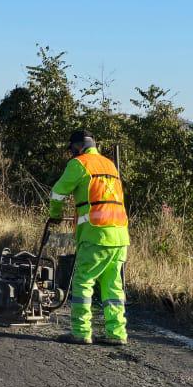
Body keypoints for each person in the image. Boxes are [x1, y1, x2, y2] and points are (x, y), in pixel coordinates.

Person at [49, 130, 129, 346]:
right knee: (113, 286)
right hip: (120, 234)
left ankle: (81, 331)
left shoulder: (79, 164)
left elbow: (57, 192)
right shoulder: (109, 165)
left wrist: (55, 215)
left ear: (77, 147)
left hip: (96, 234)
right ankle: (116, 333)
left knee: (83, 281)